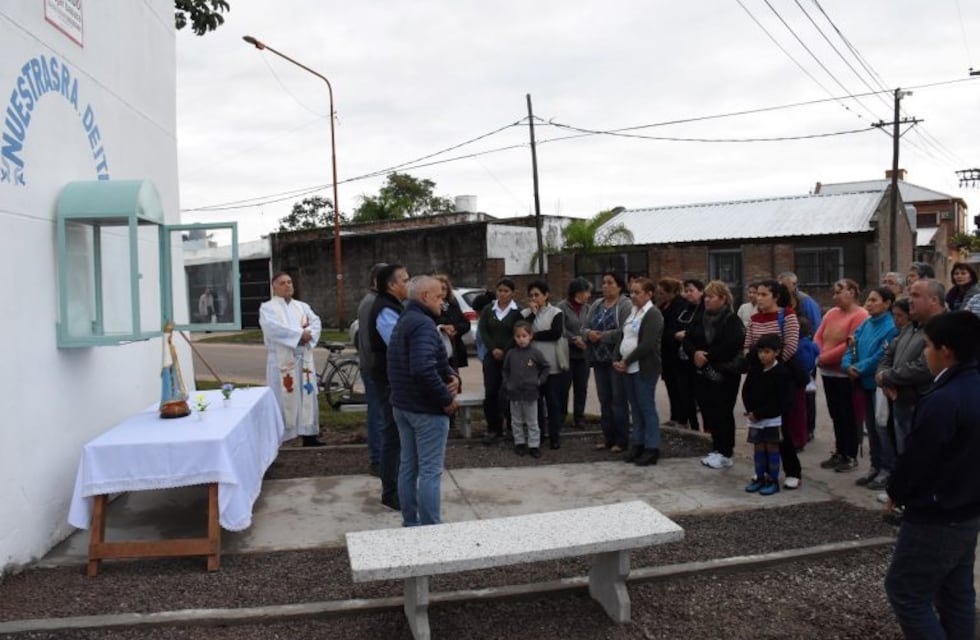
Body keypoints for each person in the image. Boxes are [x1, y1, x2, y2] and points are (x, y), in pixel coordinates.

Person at [884, 311, 980, 638]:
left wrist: (896, 491)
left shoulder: (943, 400)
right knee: (956, 592)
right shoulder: (969, 387)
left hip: (936, 512)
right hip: (967, 508)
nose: (925, 353)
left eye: (927, 346)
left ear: (945, 350)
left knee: (906, 592)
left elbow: (918, 458)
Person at [387, 275, 460, 527]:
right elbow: (421, 368)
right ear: (425, 296)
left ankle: (411, 523)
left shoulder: (406, 320)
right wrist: (446, 399)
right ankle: (430, 530)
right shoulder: (423, 325)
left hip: (404, 406)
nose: (442, 302)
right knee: (430, 471)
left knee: (408, 467)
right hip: (425, 410)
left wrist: (451, 375)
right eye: (439, 297)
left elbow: (427, 361)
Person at [743, 280, 805, 489]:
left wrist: (773, 367)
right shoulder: (754, 318)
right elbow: (748, 345)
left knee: (782, 428)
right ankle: (763, 472)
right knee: (761, 429)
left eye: (763, 294)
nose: (758, 298)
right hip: (758, 374)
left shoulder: (787, 316)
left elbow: (791, 345)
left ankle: (793, 471)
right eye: (757, 294)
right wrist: (757, 364)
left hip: (780, 375)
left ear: (775, 296)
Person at [876, 279, 946, 456]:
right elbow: (888, 353)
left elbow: (924, 367)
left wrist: (887, 377)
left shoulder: (943, 328)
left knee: (922, 459)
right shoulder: (910, 327)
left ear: (934, 300)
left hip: (922, 405)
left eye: (915, 295)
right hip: (900, 402)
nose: (909, 300)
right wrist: (882, 376)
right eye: (909, 295)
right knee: (904, 456)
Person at [682, 280, 745, 470]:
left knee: (723, 412)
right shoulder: (700, 317)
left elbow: (731, 345)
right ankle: (717, 448)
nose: (707, 300)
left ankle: (726, 452)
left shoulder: (731, 320)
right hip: (703, 373)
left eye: (711, 297)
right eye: (706, 297)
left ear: (723, 299)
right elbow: (688, 339)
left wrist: (707, 357)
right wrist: (694, 353)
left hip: (724, 374)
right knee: (709, 412)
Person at [841, 287, 897, 490]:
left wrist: (859, 368)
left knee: (882, 429)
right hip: (862, 383)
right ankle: (875, 466)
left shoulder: (891, 327)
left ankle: (887, 470)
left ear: (887, 303)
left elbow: (881, 356)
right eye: (868, 300)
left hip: (878, 385)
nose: (869, 304)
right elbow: (852, 344)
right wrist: (847, 364)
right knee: (871, 429)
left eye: (874, 300)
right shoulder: (866, 323)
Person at [259, 272, 323, 446]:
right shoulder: (268, 308)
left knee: (307, 394)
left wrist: (310, 335)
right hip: (282, 361)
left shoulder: (302, 306)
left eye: (290, 282)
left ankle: (309, 435)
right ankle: (282, 435)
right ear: (274, 287)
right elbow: (273, 329)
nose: (288, 285)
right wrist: (300, 335)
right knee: (283, 395)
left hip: (303, 359)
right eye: (283, 283)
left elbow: (316, 322)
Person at [814, 278, 869, 473]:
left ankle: (850, 455)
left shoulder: (861, 315)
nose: (834, 296)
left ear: (852, 292)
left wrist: (824, 358)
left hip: (845, 373)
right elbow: (818, 335)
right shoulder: (831, 313)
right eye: (834, 292)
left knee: (848, 415)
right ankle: (840, 451)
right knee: (835, 413)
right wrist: (818, 354)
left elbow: (849, 344)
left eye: (839, 292)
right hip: (827, 371)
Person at [369, 263, 410, 511]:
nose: (408, 283)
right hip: (388, 380)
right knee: (392, 436)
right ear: (392, 285)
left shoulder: (395, 305)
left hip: (394, 378)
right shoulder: (385, 309)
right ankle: (390, 492)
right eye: (404, 280)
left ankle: (398, 486)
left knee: (398, 435)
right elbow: (398, 344)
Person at [614, 277, 664, 466]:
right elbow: (624, 336)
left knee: (646, 407)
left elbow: (647, 344)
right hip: (628, 368)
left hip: (643, 367)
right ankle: (638, 443)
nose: (633, 296)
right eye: (631, 292)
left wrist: (626, 361)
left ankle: (652, 447)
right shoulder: (633, 312)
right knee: (635, 408)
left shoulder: (653, 314)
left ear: (649, 294)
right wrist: (618, 358)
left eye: (637, 292)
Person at [583, 271, 632, 452]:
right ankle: (608, 438)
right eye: (603, 282)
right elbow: (584, 327)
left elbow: (625, 330)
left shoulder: (625, 304)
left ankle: (622, 439)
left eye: (610, 282)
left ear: (619, 286)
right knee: (604, 399)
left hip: (615, 360)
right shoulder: (597, 304)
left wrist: (602, 336)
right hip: (598, 360)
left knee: (618, 400)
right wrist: (589, 334)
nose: (605, 286)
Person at [742, 333, 793, 495]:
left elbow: (779, 401)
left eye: (767, 352)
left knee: (771, 446)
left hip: (771, 418)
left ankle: (773, 480)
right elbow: (746, 391)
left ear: (776, 352)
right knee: (758, 446)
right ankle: (760, 477)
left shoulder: (781, 373)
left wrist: (760, 413)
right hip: (754, 417)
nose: (762, 355)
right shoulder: (755, 370)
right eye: (760, 352)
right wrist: (750, 410)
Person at [524, 280, 571, 449]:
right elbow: (523, 331)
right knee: (535, 404)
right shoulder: (526, 314)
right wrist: (533, 314)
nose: (534, 298)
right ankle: (538, 435)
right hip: (532, 365)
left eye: (537, 295)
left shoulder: (556, 312)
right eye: (531, 295)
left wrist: (534, 336)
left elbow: (555, 333)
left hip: (552, 365)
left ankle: (554, 435)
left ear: (546, 295)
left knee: (553, 402)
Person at [477, 277, 523, 445]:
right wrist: (492, 348)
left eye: (506, 291)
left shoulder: (517, 311)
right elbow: (483, 330)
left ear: (512, 293)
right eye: (500, 290)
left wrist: (505, 349)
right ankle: (493, 428)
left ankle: (511, 427)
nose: (502, 294)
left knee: (508, 392)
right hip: (491, 356)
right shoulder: (488, 309)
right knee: (491, 392)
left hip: (510, 356)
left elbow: (518, 332)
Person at [357, 263, 388, 477]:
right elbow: (371, 340)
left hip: (373, 366)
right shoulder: (373, 303)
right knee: (377, 413)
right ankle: (377, 459)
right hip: (375, 368)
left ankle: (381, 457)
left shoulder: (375, 300)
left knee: (381, 413)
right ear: (376, 280)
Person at [502, 321, 549, 458]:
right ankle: (519, 443)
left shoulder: (535, 353)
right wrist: (507, 383)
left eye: (524, 336)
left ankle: (534, 445)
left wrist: (539, 381)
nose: (521, 339)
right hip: (514, 393)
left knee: (532, 421)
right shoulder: (511, 354)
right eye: (518, 336)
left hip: (531, 393)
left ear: (530, 336)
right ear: (514, 337)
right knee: (516, 420)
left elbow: (545, 367)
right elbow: (505, 370)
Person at [557, 277, 592, 430]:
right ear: (578, 292)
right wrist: (573, 339)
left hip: (583, 355)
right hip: (567, 354)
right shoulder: (562, 307)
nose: (589, 295)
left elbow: (592, 326)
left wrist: (585, 339)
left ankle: (579, 417)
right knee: (563, 387)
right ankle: (560, 417)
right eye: (587, 292)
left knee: (581, 388)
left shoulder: (588, 308)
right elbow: (560, 328)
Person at [670, 279, 705, 431]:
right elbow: (672, 327)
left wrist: (689, 335)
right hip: (681, 358)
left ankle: (707, 429)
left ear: (701, 291)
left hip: (697, 358)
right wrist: (675, 334)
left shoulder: (705, 309)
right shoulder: (683, 309)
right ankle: (693, 425)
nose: (688, 294)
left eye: (691, 290)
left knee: (701, 395)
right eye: (686, 291)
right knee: (685, 394)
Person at [655, 277, 689, 428]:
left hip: (676, 352)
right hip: (666, 352)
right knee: (671, 385)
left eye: (662, 293)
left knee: (680, 387)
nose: (660, 296)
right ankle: (674, 416)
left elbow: (676, 327)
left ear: (672, 292)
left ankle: (682, 418)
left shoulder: (681, 305)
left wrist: (670, 334)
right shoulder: (663, 306)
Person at [433, 274, 470, 371]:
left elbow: (466, 324)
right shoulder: (431, 307)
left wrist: (455, 329)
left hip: (454, 349)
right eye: (439, 289)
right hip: (438, 349)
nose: (442, 292)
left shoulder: (453, 305)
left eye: (444, 289)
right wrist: (442, 327)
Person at [777, 271, 823, 335]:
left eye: (785, 286)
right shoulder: (778, 299)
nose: (781, 289)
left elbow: (816, 324)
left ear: (794, 285)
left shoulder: (805, 300)